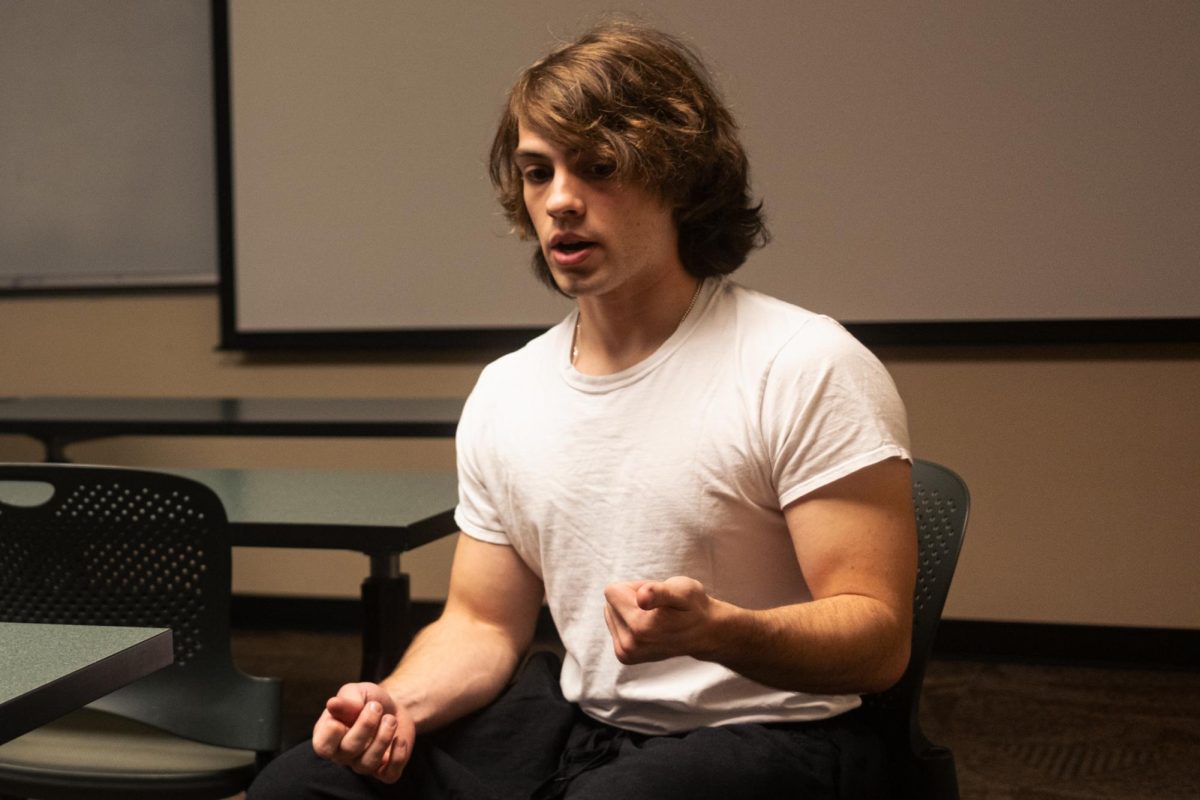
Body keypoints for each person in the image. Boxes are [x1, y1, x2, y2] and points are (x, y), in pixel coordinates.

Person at [250, 19, 915, 800]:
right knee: (299, 787)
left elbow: (877, 640)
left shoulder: (802, 363)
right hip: (584, 726)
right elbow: (482, 625)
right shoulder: (508, 389)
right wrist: (397, 702)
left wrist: (720, 630)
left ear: (679, 178)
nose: (560, 200)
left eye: (597, 167)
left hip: (781, 732)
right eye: (538, 173)